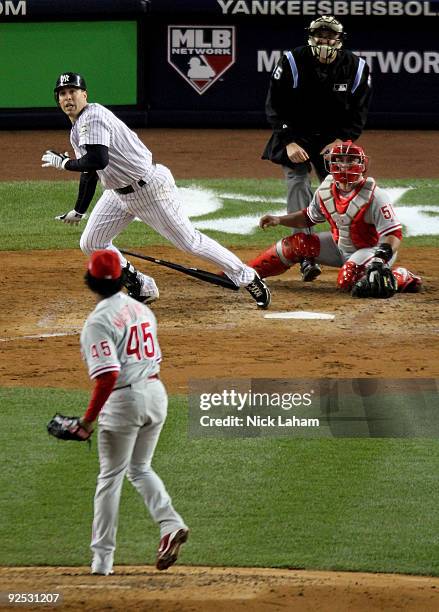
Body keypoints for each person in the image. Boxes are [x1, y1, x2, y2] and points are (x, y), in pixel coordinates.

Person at [41, 72, 270, 309]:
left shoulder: (93, 117)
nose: (68, 97)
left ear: (84, 95)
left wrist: (65, 163)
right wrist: (79, 210)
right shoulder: (78, 127)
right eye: (63, 93)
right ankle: (141, 285)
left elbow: (97, 160)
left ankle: (247, 277)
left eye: (73, 92)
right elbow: (90, 171)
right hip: (117, 194)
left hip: (149, 189)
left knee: (190, 242)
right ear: (58, 100)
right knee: (92, 242)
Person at [78, 249, 189, 576]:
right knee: (139, 467)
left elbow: (108, 376)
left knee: (109, 479)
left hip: (124, 401)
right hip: (156, 394)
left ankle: (102, 562)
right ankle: (170, 524)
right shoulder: (142, 310)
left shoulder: (97, 321)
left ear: (91, 281)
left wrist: (86, 422)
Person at [262, 15, 372, 282]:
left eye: (330, 36)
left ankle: (356, 249)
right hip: (295, 133)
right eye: (320, 35)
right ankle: (305, 253)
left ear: (339, 39)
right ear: (310, 37)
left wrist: (342, 140)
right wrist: (289, 141)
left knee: (341, 186)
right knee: (297, 181)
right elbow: (274, 104)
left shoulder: (356, 67)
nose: (325, 40)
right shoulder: (291, 60)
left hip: (332, 137)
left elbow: (359, 111)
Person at [249, 141, 422, 298]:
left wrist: (379, 258)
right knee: (294, 245)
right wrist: (279, 219)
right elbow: (308, 218)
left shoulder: (374, 195)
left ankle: (400, 276)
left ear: (361, 164)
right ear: (331, 164)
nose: (345, 165)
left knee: (348, 280)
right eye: (340, 160)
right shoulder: (326, 190)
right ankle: (246, 275)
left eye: (351, 160)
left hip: (371, 251)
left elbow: (393, 234)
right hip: (339, 247)